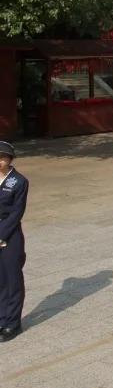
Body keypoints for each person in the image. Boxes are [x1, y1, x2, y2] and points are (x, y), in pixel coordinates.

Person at [0, 141, 28, 342]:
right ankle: (1, 318)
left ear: (10, 159)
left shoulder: (19, 181)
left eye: (3, 158)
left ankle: (12, 323)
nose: (0, 161)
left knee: (12, 280)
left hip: (10, 235)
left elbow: (17, 212)